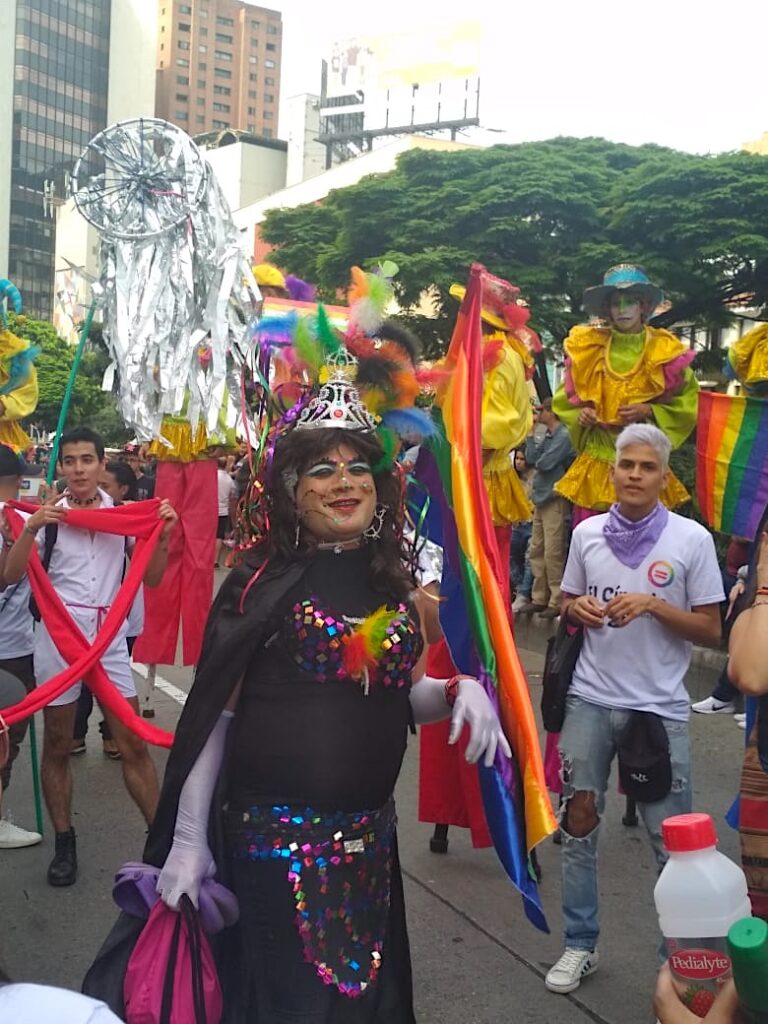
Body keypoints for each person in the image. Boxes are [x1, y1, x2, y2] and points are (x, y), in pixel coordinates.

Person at [85, 348, 510, 1021]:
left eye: (357, 469)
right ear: (290, 491)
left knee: (364, 1008)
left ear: (380, 487)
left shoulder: (392, 587)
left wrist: (458, 693)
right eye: (322, 469)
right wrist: (189, 840)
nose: (344, 483)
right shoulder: (258, 584)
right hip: (272, 855)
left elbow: (397, 702)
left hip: (370, 849)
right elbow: (215, 723)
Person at [545, 424, 724, 995]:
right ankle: (579, 945)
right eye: (627, 465)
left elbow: (711, 628)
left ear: (664, 477)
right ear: (613, 469)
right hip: (589, 700)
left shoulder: (691, 539)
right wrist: (578, 613)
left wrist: (652, 605)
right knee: (577, 827)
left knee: (671, 842)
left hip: (658, 709)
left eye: (647, 467)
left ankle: (678, 962)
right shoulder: (587, 534)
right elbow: (566, 602)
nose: (635, 475)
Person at [2, 426, 178, 887]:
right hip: (58, 639)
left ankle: (162, 844)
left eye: (87, 460)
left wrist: (159, 536)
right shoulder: (49, 516)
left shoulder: (124, 515)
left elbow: (153, 579)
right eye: (71, 461)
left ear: (103, 465)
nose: (78, 469)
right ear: (61, 467)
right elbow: (11, 575)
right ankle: (65, 842)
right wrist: (32, 528)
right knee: (58, 743)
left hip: (110, 640)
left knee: (133, 743)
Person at [552, 265, 698, 521]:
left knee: (643, 544)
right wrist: (582, 414)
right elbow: (565, 400)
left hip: (641, 462)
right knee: (592, 541)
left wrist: (650, 410)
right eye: (616, 303)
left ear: (642, 306)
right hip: (596, 465)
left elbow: (688, 403)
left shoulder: (664, 350)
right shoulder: (589, 347)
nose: (622, 310)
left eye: (629, 302)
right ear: (607, 309)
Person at [72, 460, 142, 759]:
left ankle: (113, 734)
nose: (95, 487)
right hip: (72, 629)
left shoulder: (129, 518)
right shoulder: (60, 515)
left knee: (116, 693)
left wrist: (158, 536)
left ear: (122, 490)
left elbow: (152, 573)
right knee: (80, 687)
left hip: (120, 623)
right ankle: (76, 734)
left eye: (105, 485)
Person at [0, 445, 41, 847]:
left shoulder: (25, 518)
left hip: (19, 646)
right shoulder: (22, 522)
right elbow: (9, 575)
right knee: (5, 741)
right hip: (10, 651)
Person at [521, 398, 575, 617]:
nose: (537, 414)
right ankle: (538, 597)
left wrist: (538, 450)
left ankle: (556, 600)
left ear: (552, 412)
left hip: (555, 497)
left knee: (553, 550)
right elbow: (532, 457)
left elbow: (545, 463)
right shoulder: (545, 433)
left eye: (541, 410)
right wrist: (535, 435)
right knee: (536, 549)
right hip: (541, 497)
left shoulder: (564, 435)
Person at [214, 456, 236, 569]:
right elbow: (233, 496)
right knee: (219, 536)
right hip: (223, 511)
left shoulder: (211, 476)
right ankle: (215, 559)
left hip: (210, 509)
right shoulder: (229, 480)